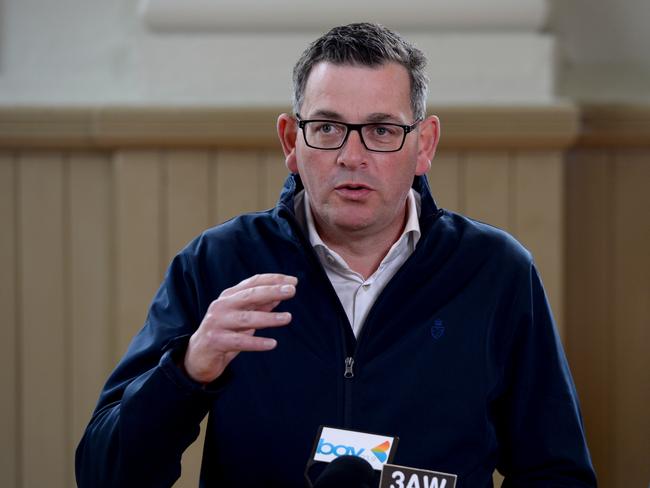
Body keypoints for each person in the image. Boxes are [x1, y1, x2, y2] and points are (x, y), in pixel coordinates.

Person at [76, 23, 596, 487]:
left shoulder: (495, 271)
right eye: (327, 128)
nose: (352, 155)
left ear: (425, 145)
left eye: (382, 130)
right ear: (290, 140)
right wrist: (186, 371)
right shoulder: (218, 264)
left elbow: (557, 472)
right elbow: (104, 473)